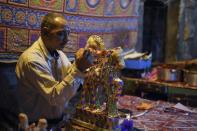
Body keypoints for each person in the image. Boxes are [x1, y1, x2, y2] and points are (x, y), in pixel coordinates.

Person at [15, 13, 93, 126]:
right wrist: (79, 68)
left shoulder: (59, 54)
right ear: (45, 33)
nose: (67, 39)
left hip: (57, 121)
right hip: (35, 125)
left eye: (68, 33)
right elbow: (56, 98)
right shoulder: (32, 60)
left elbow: (71, 81)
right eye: (60, 34)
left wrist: (83, 64)